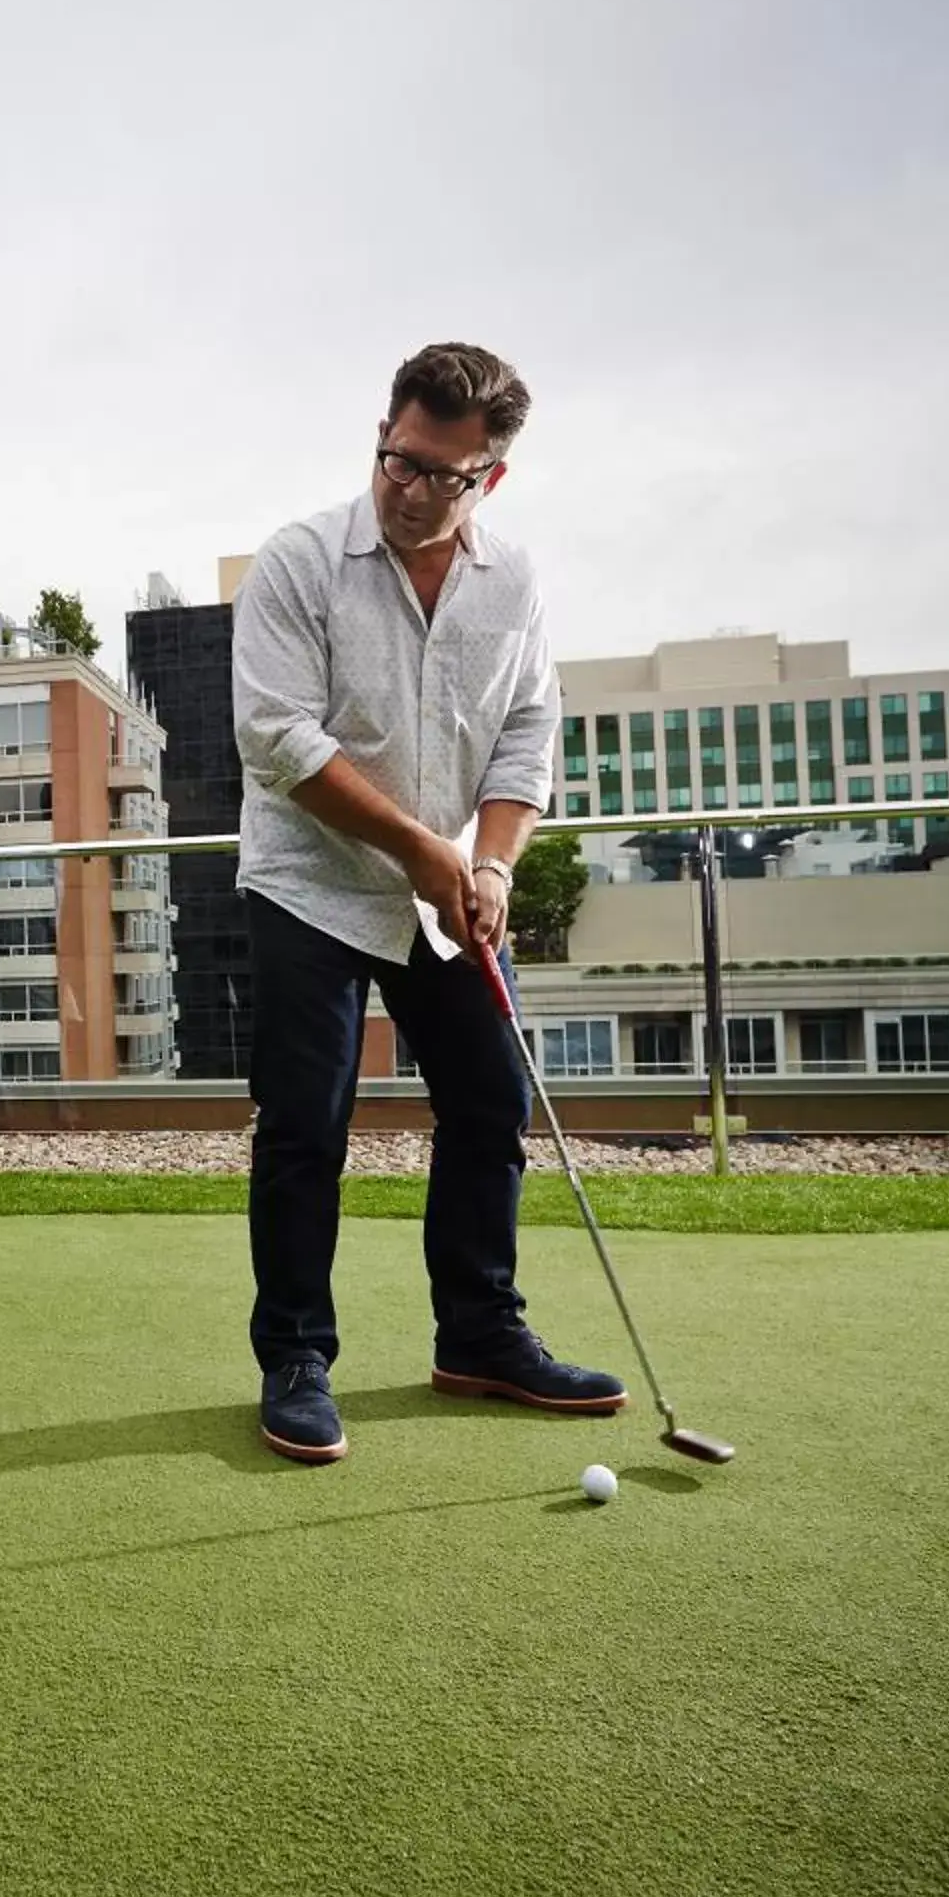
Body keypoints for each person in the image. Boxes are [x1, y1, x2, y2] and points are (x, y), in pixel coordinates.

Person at [231, 340, 622, 1460]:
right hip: (309, 882)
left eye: (438, 476)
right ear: (384, 432)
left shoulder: (516, 584)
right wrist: (419, 849)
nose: (405, 489)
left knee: (491, 1103)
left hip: (443, 888)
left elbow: (525, 732)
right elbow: (274, 738)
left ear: (485, 479)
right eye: (395, 459)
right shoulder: (298, 560)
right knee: (304, 1127)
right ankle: (295, 1356)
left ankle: (479, 1336)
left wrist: (488, 864)